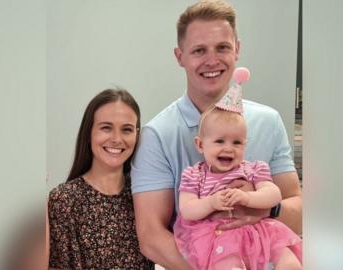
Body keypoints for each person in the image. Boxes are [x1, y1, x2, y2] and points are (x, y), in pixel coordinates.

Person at [131, 0, 302, 268]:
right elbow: (151, 237)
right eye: (199, 50)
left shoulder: (269, 121)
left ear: (237, 49)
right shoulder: (157, 135)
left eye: (222, 47)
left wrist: (265, 208)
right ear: (180, 57)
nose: (212, 60)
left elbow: (299, 208)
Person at [173, 89, 302, 269]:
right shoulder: (194, 175)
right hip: (219, 236)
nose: (229, 148)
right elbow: (186, 209)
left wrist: (248, 198)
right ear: (200, 145)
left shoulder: (253, 169)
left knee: (289, 262)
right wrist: (211, 203)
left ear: (245, 144)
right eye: (220, 141)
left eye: (237, 142)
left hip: (260, 231)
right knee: (227, 265)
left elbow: (274, 195)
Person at [46, 88, 153, 269]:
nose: (117, 139)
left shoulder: (145, 195)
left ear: (137, 136)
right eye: (106, 128)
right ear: (89, 133)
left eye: (126, 130)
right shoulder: (64, 200)